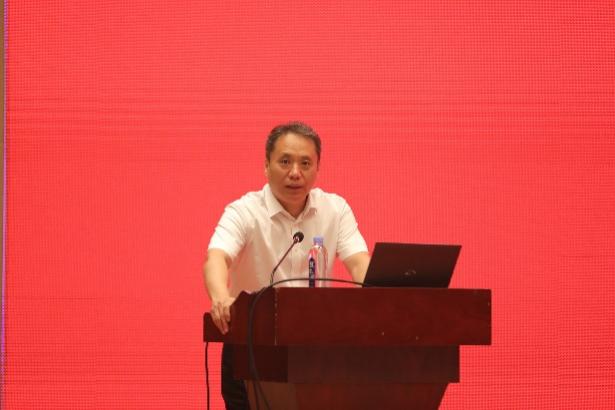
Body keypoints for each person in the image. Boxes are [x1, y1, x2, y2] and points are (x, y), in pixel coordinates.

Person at [203, 121, 370, 410]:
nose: (295, 172)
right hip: (251, 346)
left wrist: (379, 299)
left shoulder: (335, 209)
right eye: (285, 162)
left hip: (315, 347)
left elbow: (359, 263)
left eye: (305, 163)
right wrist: (220, 297)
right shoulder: (244, 211)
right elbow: (217, 258)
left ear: (317, 168)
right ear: (266, 166)